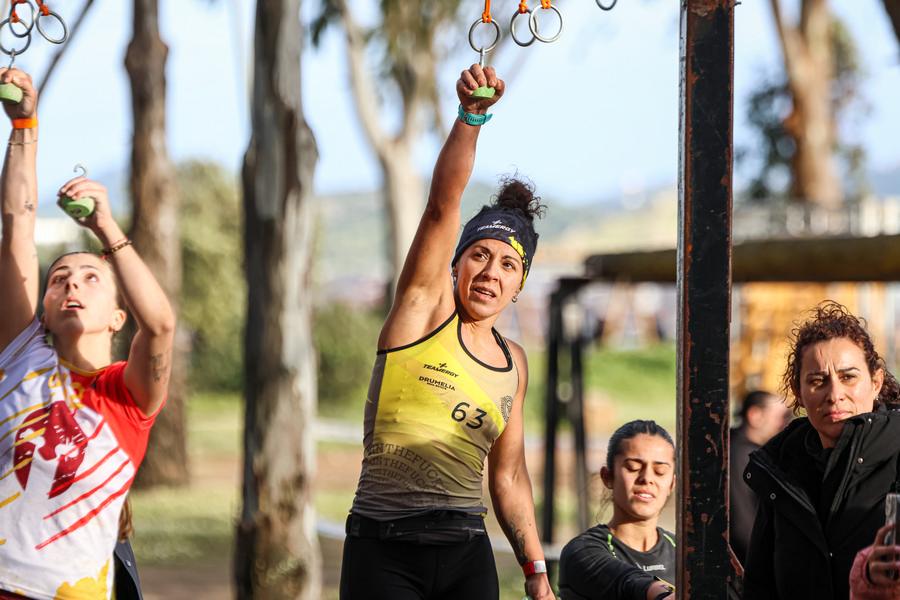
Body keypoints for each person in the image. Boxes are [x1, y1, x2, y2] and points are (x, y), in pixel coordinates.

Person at [340, 64, 554, 600]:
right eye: (478, 255)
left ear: (520, 284)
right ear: (455, 265)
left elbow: (507, 477)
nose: (490, 273)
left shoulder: (514, 363)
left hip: (465, 555)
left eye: (508, 265)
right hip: (383, 550)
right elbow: (442, 206)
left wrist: (536, 570)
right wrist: (471, 117)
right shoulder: (421, 314)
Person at [0, 68, 174, 598]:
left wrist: (107, 229)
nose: (72, 284)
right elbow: (17, 227)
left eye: (90, 278)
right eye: (59, 280)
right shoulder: (21, 355)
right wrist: (24, 124)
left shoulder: (129, 397)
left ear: (118, 316)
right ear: (45, 311)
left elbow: (162, 324)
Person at [743, 302, 900, 599]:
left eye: (848, 377)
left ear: (876, 382)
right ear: (798, 391)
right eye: (817, 381)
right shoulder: (780, 469)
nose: (834, 395)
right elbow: (759, 587)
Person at [558, 420, 676, 600]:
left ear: (672, 484)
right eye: (633, 468)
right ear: (608, 477)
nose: (647, 478)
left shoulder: (683, 550)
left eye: (660, 471)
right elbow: (630, 583)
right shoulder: (581, 552)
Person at [729, 390, 791, 563]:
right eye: (782, 416)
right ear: (755, 416)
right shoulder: (741, 455)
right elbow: (743, 523)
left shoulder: (739, 448)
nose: (785, 424)